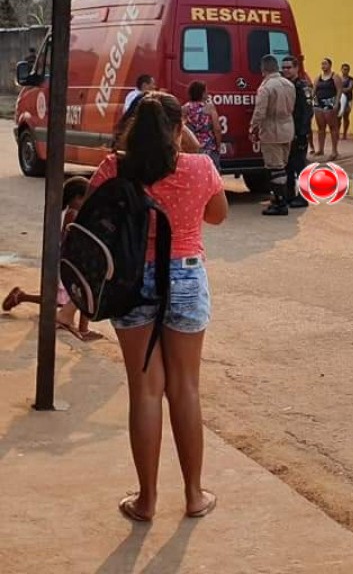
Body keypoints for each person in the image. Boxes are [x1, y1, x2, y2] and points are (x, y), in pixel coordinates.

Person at [88, 91, 228, 523]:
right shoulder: (199, 167)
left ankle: (147, 501)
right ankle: (192, 495)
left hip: (130, 284)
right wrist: (191, 145)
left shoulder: (114, 167)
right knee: (184, 387)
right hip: (185, 276)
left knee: (145, 390)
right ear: (178, 127)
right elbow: (219, 215)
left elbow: (91, 219)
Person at [3, 176, 103, 342]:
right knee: (71, 297)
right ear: (76, 198)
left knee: (75, 296)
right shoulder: (73, 213)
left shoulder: (77, 212)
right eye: (85, 198)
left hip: (73, 259)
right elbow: (70, 236)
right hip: (69, 260)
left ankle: (22, 296)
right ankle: (21, 296)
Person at [250, 55, 296, 217]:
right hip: (288, 128)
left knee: (275, 168)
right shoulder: (289, 84)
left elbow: (260, 112)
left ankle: (279, 202)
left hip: (271, 130)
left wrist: (253, 128)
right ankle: (280, 199)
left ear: (263, 69)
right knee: (282, 166)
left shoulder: (266, 87)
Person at [282, 56, 313, 208]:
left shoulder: (302, 86)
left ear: (296, 68)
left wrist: (302, 133)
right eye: (284, 67)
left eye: (289, 67)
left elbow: (307, 111)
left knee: (299, 166)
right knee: (287, 166)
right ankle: (289, 194)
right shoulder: (285, 85)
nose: (286, 70)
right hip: (287, 131)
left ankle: (303, 196)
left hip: (299, 132)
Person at [182, 82, 224, 172]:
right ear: (201, 93)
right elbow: (217, 128)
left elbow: (182, 129)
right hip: (208, 147)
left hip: (191, 148)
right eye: (206, 91)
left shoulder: (184, 108)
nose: (207, 93)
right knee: (212, 173)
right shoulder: (209, 108)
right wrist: (218, 145)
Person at [312, 58, 343, 161]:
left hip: (330, 102)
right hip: (319, 103)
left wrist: (336, 103)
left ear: (330, 65)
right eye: (322, 64)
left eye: (325, 63)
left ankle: (334, 150)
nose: (323, 65)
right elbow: (314, 90)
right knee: (321, 127)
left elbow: (339, 91)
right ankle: (320, 149)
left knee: (333, 127)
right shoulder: (318, 78)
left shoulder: (335, 77)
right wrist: (312, 102)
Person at [339, 63, 353, 140]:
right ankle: (337, 132)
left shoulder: (351, 79)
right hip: (339, 99)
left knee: (346, 116)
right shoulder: (338, 78)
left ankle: (345, 133)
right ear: (341, 69)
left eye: (347, 69)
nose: (345, 71)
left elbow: (350, 88)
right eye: (344, 69)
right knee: (338, 117)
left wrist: (339, 90)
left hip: (348, 99)